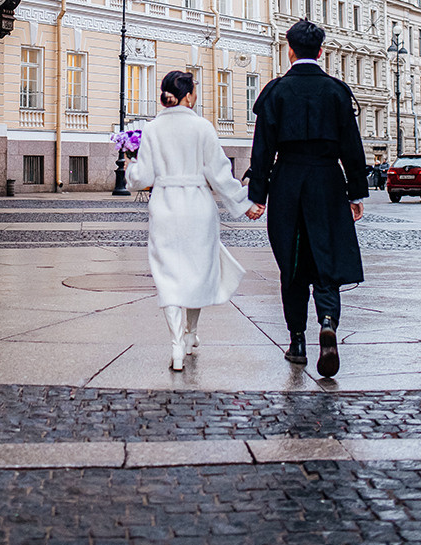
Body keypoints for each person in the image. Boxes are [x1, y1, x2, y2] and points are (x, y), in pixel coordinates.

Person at [248, 19, 367, 378]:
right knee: (326, 256)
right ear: (320, 51)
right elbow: (353, 148)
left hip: (288, 182)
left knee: (293, 263)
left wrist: (258, 196)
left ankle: (297, 341)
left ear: (290, 50)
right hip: (327, 181)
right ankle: (327, 321)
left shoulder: (276, 91)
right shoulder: (336, 91)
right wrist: (356, 192)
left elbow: (262, 149)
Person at [126, 70, 264, 370]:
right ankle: (191, 334)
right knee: (195, 272)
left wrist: (130, 167)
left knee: (169, 277)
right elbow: (220, 175)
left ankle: (176, 345)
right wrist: (245, 204)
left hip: (165, 207)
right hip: (198, 208)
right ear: (188, 96)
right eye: (195, 91)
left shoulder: (152, 129)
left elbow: (142, 178)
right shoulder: (202, 127)